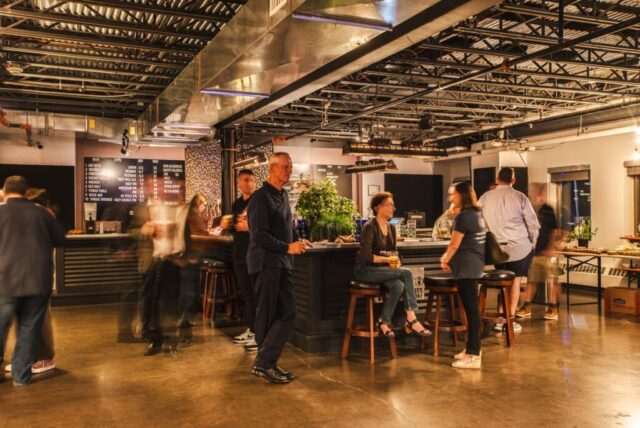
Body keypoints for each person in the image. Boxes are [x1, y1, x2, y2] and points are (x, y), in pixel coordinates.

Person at [247, 153, 310, 384]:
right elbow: (259, 235)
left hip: (282, 263)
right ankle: (265, 364)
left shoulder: (282, 194)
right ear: (272, 168)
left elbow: (286, 227)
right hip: (265, 264)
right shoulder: (260, 198)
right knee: (267, 315)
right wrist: (287, 247)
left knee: (288, 311)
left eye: (290, 167)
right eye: (285, 167)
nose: (289, 170)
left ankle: (266, 362)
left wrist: (298, 241)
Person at [0, 176, 65, 386]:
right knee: (29, 331)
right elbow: (61, 239)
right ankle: (21, 377)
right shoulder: (42, 213)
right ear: (27, 193)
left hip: (5, 282)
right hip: (38, 282)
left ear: (4, 192)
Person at [354, 192, 431, 338]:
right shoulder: (369, 227)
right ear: (377, 207)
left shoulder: (391, 228)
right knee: (407, 273)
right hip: (366, 270)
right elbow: (366, 256)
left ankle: (383, 321)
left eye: (393, 205)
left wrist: (396, 260)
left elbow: (393, 252)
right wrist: (387, 260)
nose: (393, 208)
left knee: (399, 286)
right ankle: (411, 318)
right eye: (389, 205)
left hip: (383, 270)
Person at [478, 167, 540, 334]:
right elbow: (533, 225)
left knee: (502, 282)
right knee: (515, 281)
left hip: (496, 249)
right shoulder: (520, 197)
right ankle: (509, 320)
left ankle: (500, 320)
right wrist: (532, 244)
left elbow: (478, 221)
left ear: (498, 179)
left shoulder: (485, 197)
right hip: (520, 247)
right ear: (513, 180)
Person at [440, 182, 486, 369]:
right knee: (472, 310)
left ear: (461, 195)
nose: (450, 198)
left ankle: (473, 354)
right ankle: (472, 349)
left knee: (471, 311)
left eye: (453, 194)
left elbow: (454, 244)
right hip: (475, 264)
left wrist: (445, 259)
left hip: (466, 267)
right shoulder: (477, 214)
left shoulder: (464, 216)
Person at [516, 183, 563, 321]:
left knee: (552, 280)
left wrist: (551, 248)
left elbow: (554, 230)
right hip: (536, 252)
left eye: (534, 190)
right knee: (532, 280)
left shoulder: (547, 210)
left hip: (547, 252)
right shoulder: (531, 209)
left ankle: (553, 309)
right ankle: (526, 307)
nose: (532, 193)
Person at [230, 169, 258, 352]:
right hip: (239, 253)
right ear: (239, 183)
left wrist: (249, 226)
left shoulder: (258, 201)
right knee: (246, 294)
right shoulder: (237, 204)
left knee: (256, 294)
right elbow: (234, 227)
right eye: (246, 180)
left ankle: (258, 333)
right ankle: (252, 329)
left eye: (252, 180)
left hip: (254, 253)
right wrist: (229, 225)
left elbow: (264, 226)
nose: (249, 183)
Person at [177, 193, 210, 342]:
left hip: (187, 255)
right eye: (204, 205)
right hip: (191, 255)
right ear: (199, 204)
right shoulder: (193, 215)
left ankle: (186, 320)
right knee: (190, 291)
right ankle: (184, 323)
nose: (204, 208)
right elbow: (197, 234)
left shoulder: (188, 214)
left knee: (188, 289)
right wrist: (209, 233)